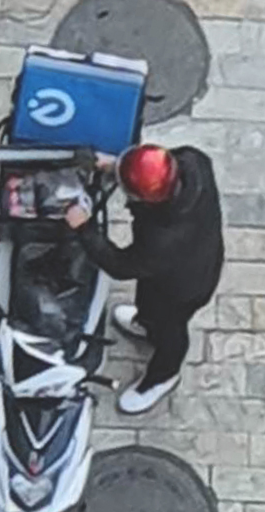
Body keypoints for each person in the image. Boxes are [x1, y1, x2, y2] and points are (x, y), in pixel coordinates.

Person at [65, 144, 224, 414]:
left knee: (169, 328)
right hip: (194, 258)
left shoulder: (163, 240)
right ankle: (146, 322)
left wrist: (84, 229)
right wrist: (119, 166)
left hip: (184, 287)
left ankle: (164, 375)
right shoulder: (195, 163)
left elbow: (121, 265)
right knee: (149, 304)